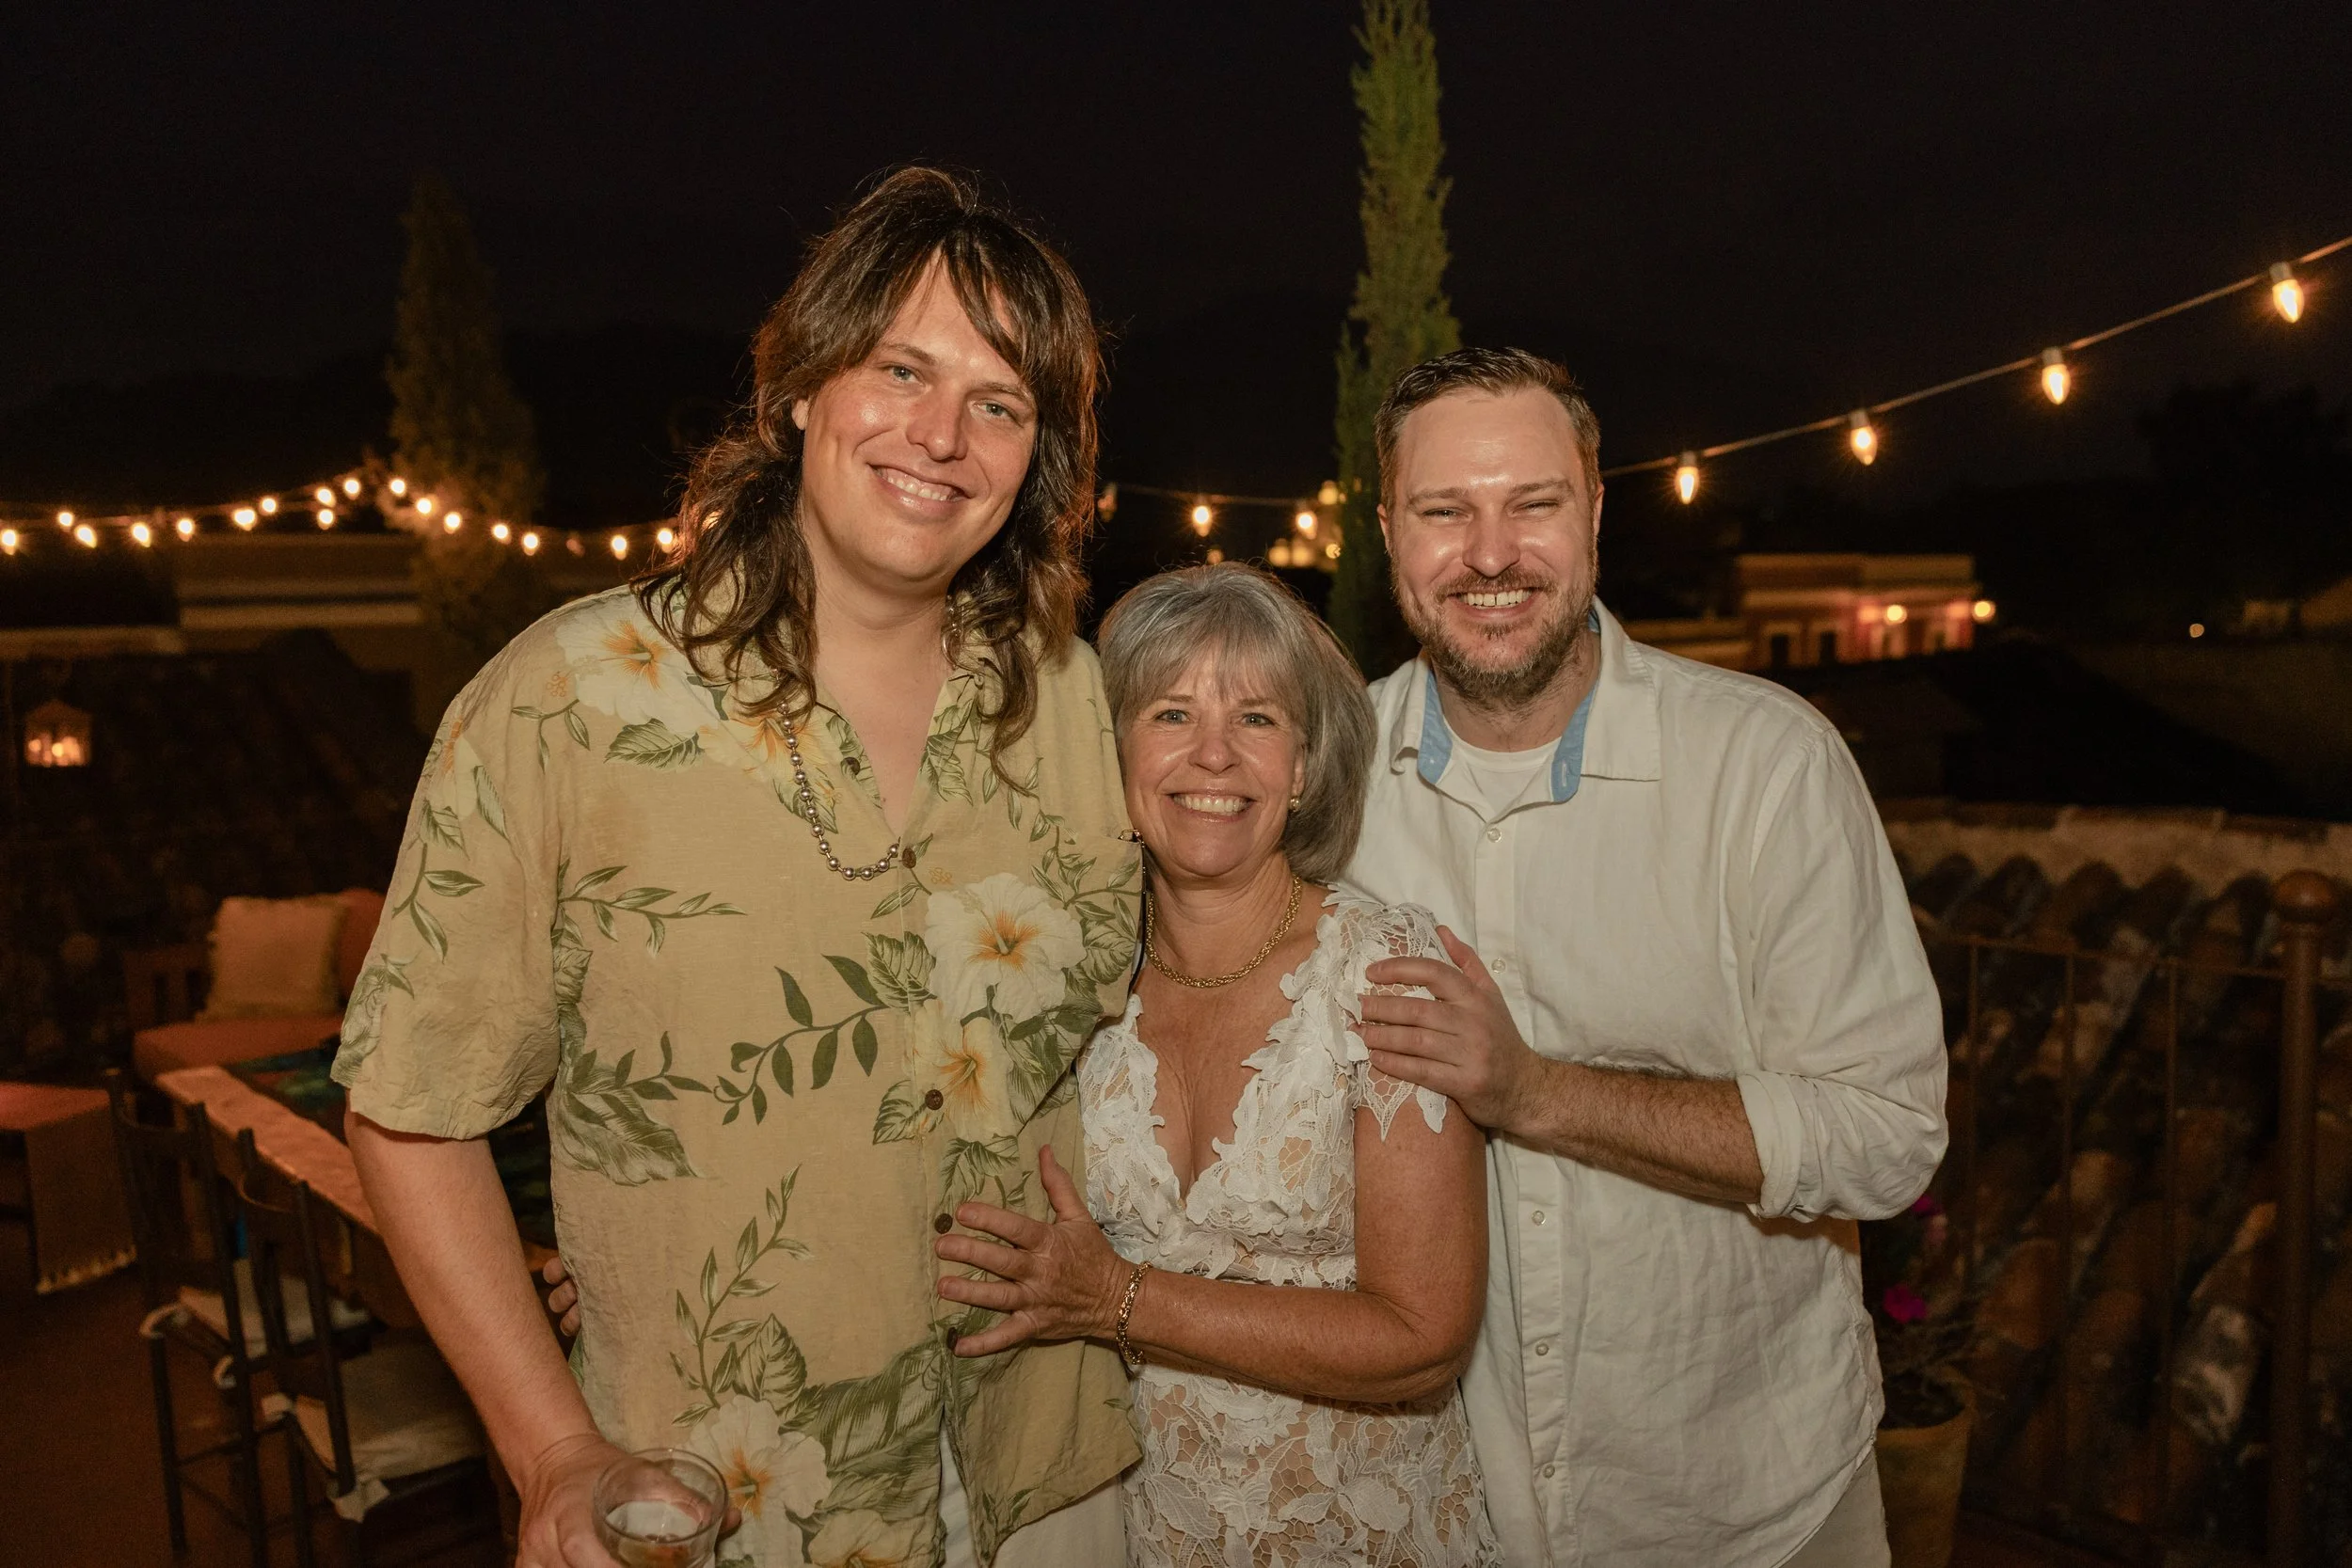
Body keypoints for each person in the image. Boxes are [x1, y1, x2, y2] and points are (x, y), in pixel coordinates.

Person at [333, 167, 1141, 1568]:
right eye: (901, 367)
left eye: (1000, 403)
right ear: (803, 391)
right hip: (723, 1500)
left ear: (1035, 464)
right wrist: (552, 1447)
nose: (941, 433)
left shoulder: (1071, 700)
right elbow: (411, 1108)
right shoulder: (568, 702)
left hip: (1050, 1475)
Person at [1344, 347, 1949, 1567]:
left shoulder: (1765, 766)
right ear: (1388, 531)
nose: (1492, 552)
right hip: (1448, 1516)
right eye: (1445, 510)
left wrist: (1533, 1090)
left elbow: (1889, 1134)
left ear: (1597, 509)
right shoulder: (1328, 777)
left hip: (1748, 1508)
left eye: (1533, 503)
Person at [928, 563, 1499, 1565]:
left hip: (1368, 1531)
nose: (1213, 755)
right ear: (1110, 754)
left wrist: (1119, 1298)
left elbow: (1424, 1332)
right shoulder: (1065, 985)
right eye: (1171, 712)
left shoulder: (1385, 971)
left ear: (1308, 763)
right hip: (1135, 1530)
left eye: (1259, 719)